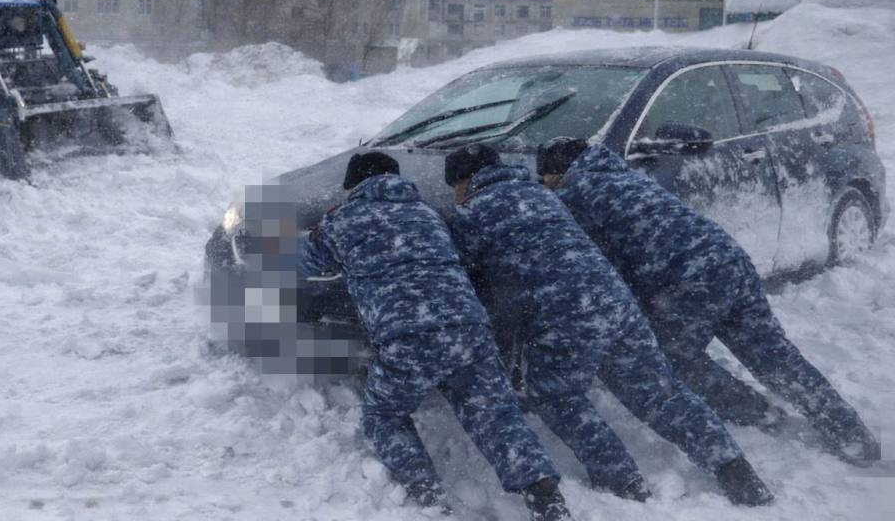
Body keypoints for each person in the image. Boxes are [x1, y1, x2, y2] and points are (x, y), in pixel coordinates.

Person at [445, 143, 773, 506]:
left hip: (563, 312)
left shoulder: (472, 215)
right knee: (658, 391)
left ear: (464, 183)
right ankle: (734, 467)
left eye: (454, 188)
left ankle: (623, 482)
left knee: (557, 394)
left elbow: (476, 287)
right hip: (614, 301)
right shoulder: (545, 195)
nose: (455, 197)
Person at [541, 137, 882, 465]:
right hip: (729, 259)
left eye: (546, 177)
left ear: (557, 172)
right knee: (774, 355)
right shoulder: (626, 177)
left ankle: (754, 413)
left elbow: (589, 267)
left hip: (688, 279)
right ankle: (850, 433)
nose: (545, 185)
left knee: (668, 357)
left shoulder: (574, 193)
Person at [301, 151, 571, 520]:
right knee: (496, 415)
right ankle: (545, 497)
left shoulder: (342, 220)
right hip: (468, 330)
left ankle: (429, 499)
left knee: (385, 414)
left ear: (354, 186)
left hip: (406, 338)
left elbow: (306, 262)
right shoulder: (430, 213)